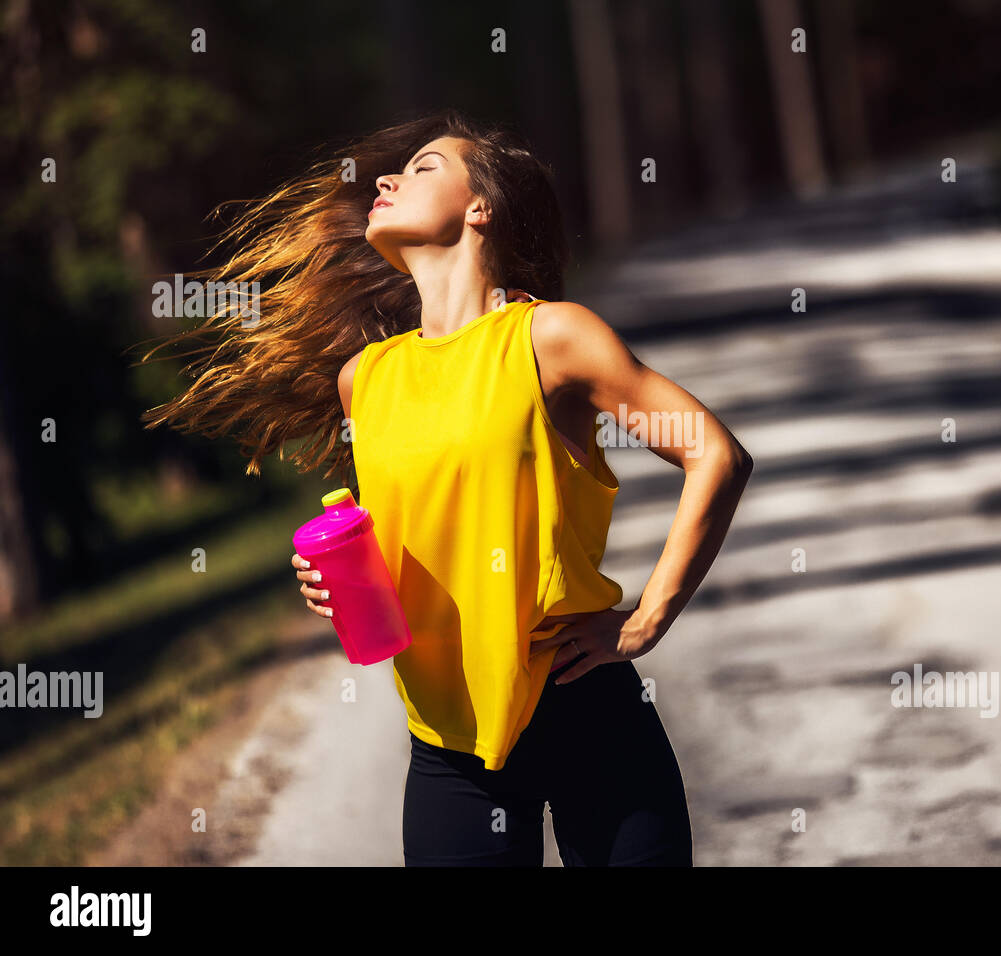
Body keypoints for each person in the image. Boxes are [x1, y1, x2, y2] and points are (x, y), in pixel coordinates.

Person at [138, 108, 753, 866]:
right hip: (447, 746)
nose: (388, 179)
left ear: (479, 209)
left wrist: (643, 621)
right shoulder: (365, 379)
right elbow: (422, 528)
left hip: (584, 709)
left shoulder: (550, 338)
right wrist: (335, 576)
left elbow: (715, 454)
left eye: (424, 167)